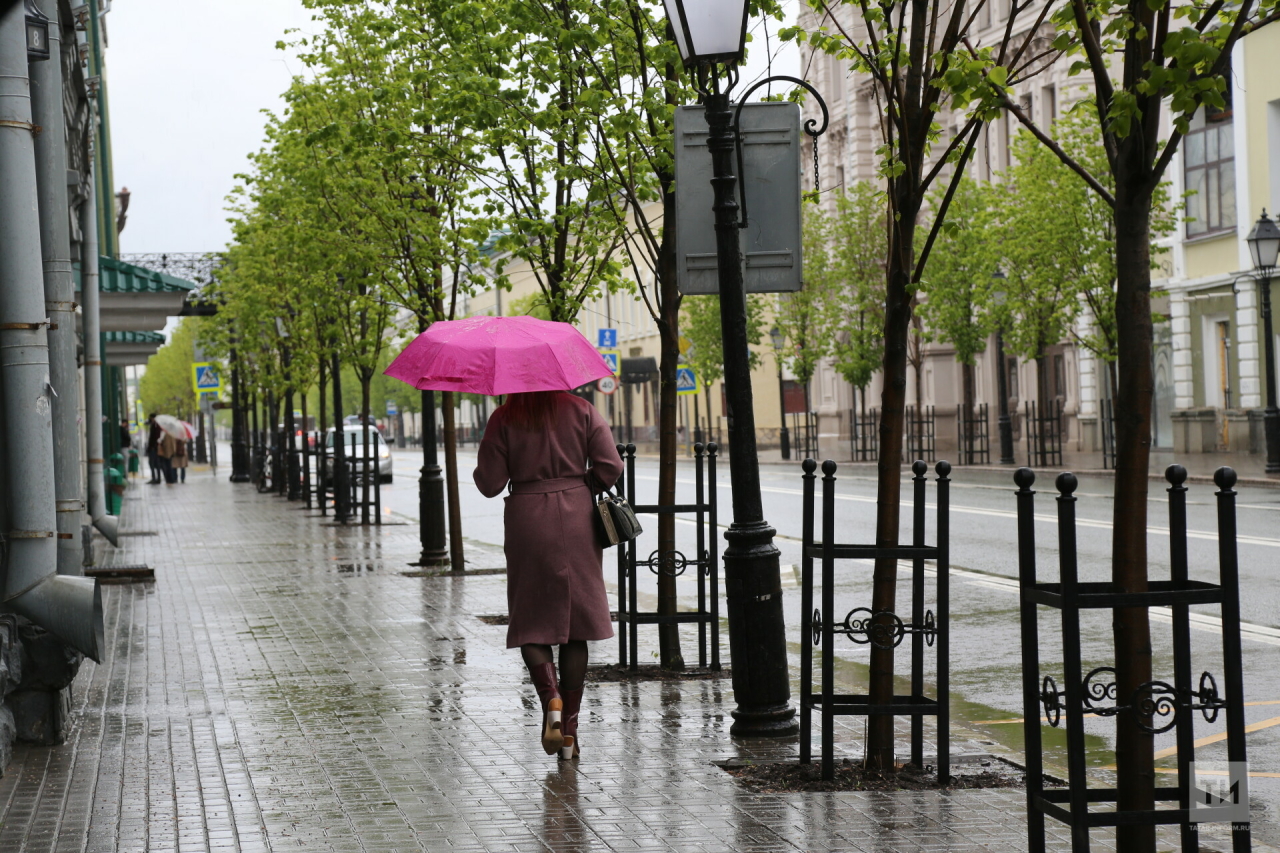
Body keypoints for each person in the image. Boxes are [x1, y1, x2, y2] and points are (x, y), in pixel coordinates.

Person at [473, 390, 623, 761]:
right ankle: (569, 731)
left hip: (527, 518)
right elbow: (611, 467)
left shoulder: (505, 417)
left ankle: (550, 698)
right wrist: (579, 482)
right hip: (576, 517)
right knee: (577, 626)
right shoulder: (583, 411)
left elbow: (489, 483)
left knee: (530, 621)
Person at [146, 414, 162, 484]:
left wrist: (151, 447)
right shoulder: (157, 425)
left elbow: (153, 438)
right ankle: (157, 478)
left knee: (152, 463)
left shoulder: (155, 426)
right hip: (155, 447)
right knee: (156, 463)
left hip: (153, 448)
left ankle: (155, 478)